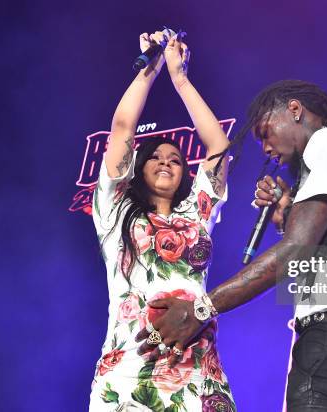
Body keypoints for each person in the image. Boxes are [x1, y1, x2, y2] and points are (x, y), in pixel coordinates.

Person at [141, 80, 327, 412]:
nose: (265, 148)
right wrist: (288, 211)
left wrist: (200, 309)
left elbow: (294, 251)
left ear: (294, 110)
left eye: (264, 132)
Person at [88, 30, 235, 412]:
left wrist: (181, 78)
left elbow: (218, 147)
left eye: (175, 158)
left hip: (199, 374)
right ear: (138, 168)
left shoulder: (197, 213)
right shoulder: (116, 210)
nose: (167, 160)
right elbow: (122, 129)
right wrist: (150, 69)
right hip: (129, 374)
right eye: (156, 156)